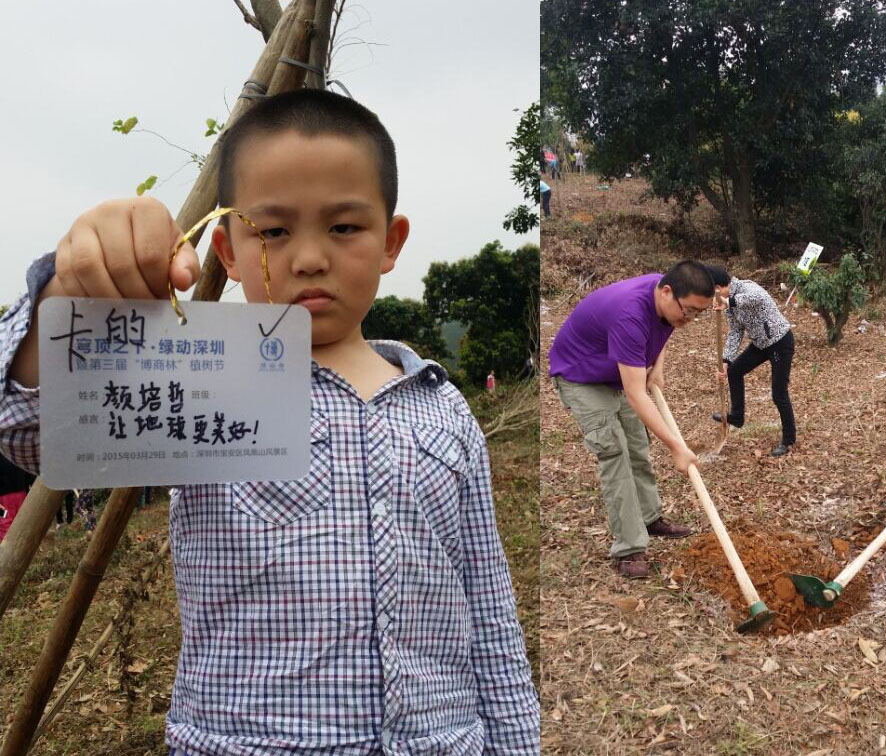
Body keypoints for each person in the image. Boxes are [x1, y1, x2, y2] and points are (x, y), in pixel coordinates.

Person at [0, 89, 538, 755]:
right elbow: (23, 431)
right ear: (225, 250)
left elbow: (488, 613)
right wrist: (64, 296)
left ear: (391, 241)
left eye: (344, 227)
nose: (309, 257)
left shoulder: (444, 409)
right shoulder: (198, 384)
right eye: (273, 231)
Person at [548, 260, 713, 579]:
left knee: (637, 443)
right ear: (667, 292)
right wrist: (676, 447)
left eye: (699, 313)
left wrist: (658, 365)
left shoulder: (665, 295)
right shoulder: (630, 315)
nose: (690, 319)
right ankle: (629, 547)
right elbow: (637, 395)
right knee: (615, 453)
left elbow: (665, 326)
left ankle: (650, 518)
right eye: (689, 311)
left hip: (615, 371)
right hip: (581, 377)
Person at [708, 266, 797, 456]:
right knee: (734, 371)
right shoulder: (728, 306)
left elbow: (760, 298)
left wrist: (729, 301)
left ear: (720, 286)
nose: (713, 297)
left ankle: (789, 440)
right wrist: (726, 360)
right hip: (760, 344)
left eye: (713, 291)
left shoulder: (747, 288)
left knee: (779, 393)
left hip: (780, 341)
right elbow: (735, 331)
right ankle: (737, 416)